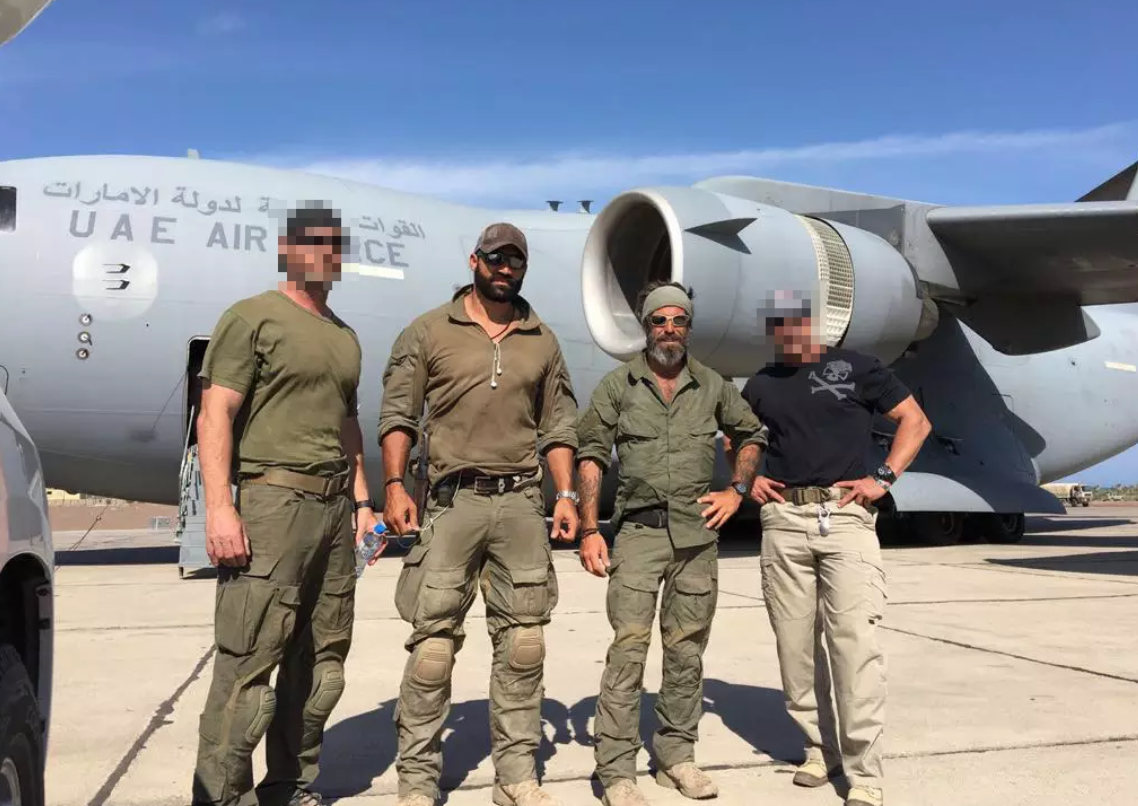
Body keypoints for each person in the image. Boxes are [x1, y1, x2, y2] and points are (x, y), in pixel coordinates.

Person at [378, 222, 580, 806]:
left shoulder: (542, 339)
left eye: (515, 261)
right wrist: (394, 485)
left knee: (524, 644)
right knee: (433, 648)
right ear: (474, 261)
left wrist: (566, 495)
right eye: (495, 258)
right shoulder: (428, 331)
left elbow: (558, 426)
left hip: (520, 502)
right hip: (453, 500)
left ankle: (516, 776)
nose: (504, 268)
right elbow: (398, 414)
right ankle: (417, 781)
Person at [191, 203, 381, 806]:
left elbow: (347, 427)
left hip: (333, 512)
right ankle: (221, 797)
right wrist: (220, 508)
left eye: (333, 245)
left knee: (321, 667)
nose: (324, 254)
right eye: (311, 242)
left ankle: (290, 788)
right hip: (272, 503)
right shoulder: (251, 317)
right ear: (288, 251)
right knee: (248, 664)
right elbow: (215, 413)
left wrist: (363, 504)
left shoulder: (345, 337)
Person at [575, 281, 769, 806]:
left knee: (687, 652)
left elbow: (751, 434)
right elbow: (591, 454)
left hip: (696, 536)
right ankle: (616, 770)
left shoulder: (712, 386)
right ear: (646, 327)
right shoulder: (618, 386)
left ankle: (676, 757)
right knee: (628, 650)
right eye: (659, 320)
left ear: (688, 327)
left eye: (677, 320)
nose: (668, 329)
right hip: (638, 535)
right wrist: (590, 530)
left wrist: (736, 491)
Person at [737, 293, 931, 806]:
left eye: (795, 321)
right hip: (784, 520)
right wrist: (749, 478)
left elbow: (915, 421)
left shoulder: (858, 367)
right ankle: (818, 750)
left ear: (813, 323)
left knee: (853, 646)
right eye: (778, 323)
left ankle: (864, 772)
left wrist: (882, 478)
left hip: (844, 517)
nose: (788, 331)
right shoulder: (760, 384)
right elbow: (738, 436)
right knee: (795, 647)